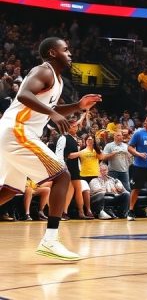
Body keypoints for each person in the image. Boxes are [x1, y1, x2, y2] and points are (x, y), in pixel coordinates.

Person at [0, 37, 101, 260]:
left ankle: (51, 241)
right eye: (66, 49)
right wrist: (53, 114)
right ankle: (50, 240)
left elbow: (49, 107)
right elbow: (23, 95)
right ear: (53, 53)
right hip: (18, 129)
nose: (70, 53)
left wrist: (77, 106)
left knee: (9, 189)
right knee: (62, 176)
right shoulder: (43, 71)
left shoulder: (58, 80)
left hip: (14, 132)